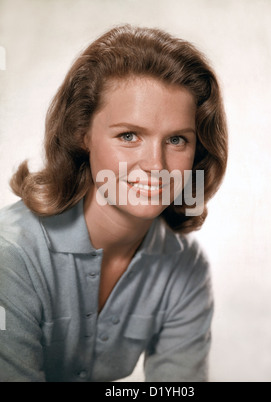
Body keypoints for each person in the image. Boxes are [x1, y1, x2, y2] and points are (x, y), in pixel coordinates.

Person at [0, 24, 228, 382]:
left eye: (177, 140)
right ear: (82, 134)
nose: (156, 165)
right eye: (129, 135)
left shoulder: (187, 268)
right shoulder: (11, 254)